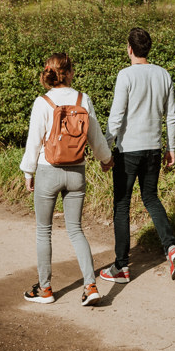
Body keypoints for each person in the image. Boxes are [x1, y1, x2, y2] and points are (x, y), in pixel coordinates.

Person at [20, 52, 113, 305]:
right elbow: (96, 138)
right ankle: (91, 286)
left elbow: (34, 141)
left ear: (50, 73)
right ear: (70, 72)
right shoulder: (84, 99)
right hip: (76, 172)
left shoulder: (42, 102)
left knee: (44, 231)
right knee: (75, 230)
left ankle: (45, 290)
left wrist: (29, 172)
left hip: (47, 171)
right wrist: (106, 160)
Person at [100, 27, 175, 283]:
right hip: (153, 149)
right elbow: (171, 115)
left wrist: (105, 148)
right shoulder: (163, 74)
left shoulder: (125, 76)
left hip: (128, 151)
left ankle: (122, 267)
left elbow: (116, 117)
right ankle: (171, 248)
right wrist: (171, 148)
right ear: (148, 48)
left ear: (129, 48)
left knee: (122, 204)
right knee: (151, 198)